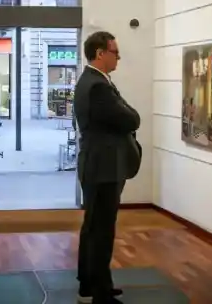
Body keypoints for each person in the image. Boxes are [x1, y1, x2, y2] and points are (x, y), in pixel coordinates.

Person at [73, 31, 142, 304]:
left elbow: (124, 115)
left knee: (93, 227)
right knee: (101, 230)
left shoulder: (93, 81)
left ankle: (90, 285)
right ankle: (98, 291)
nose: (119, 58)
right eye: (115, 52)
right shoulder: (98, 87)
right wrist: (131, 114)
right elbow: (130, 119)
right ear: (100, 53)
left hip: (98, 165)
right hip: (103, 167)